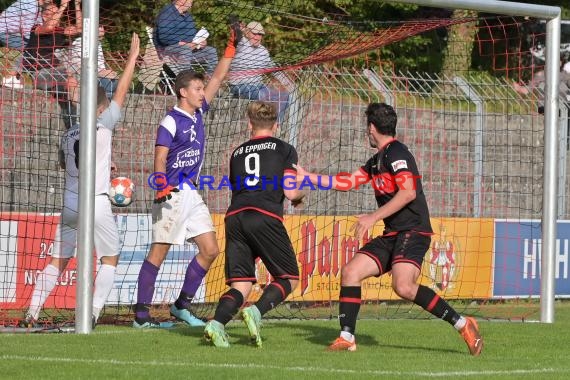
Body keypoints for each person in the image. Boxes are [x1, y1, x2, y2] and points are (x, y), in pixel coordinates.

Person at [295, 103, 483, 355]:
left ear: (371, 128)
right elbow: (348, 181)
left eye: (366, 128)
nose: (366, 132)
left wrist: (373, 217)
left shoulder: (398, 153)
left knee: (403, 286)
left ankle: (463, 324)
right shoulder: (377, 161)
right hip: (393, 233)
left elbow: (408, 193)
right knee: (351, 271)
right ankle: (347, 336)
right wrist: (308, 176)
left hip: (413, 230)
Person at [19, 33, 140, 329]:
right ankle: (93, 312)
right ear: (100, 108)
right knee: (109, 259)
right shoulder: (103, 124)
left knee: (58, 260)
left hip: (72, 202)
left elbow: (65, 163)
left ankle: (32, 312)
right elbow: (121, 92)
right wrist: (133, 58)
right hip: (96, 202)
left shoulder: (69, 133)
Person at [132, 20, 241, 329]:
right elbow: (160, 157)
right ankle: (141, 317)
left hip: (191, 193)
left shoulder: (198, 111)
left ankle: (181, 306)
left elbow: (219, 76)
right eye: (196, 88)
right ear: (183, 92)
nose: (201, 91)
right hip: (172, 193)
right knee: (159, 252)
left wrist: (231, 49)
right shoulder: (170, 121)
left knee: (210, 250)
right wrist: (160, 186)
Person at [203, 101, 305, 348]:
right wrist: (302, 185)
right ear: (277, 125)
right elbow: (291, 194)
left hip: (235, 217)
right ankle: (256, 312)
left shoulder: (237, 152)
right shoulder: (284, 149)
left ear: (250, 124)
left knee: (242, 284)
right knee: (289, 277)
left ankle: (216, 324)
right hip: (264, 215)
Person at [21, 0, 82, 128]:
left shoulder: (60, 31)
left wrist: (76, 4)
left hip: (57, 77)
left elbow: (80, 29)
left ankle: (73, 129)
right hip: (40, 75)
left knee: (68, 96)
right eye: (53, 13)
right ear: (44, 16)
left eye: (58, 13)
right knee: (71, 76)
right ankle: (84, 118)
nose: (58, 15)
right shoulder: (36, 28)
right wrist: (63, 5)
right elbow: (49, 27)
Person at [229, 21, 294, 123]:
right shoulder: (242, 44)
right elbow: (235, 33)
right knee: (267, 95)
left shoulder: (263, 51)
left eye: (260, 34)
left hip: (258, 86)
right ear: (247, 33)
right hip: (239, 85)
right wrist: (238, 28)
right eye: (254, 33)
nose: (257, 37)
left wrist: (290, 85)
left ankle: (276, 125)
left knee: (285, 96)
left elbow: (274, 71)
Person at [154, 0, 218, 75]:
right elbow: (164, 37)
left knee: (211, 51)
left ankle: (209, 79)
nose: (191, 4)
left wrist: (200, 41)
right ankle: (186, 79)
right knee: (185, 49)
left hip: (187, 51)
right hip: (167, 51)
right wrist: (182, 44)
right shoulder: (167, 13)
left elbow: (192, 35)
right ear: (181, 1)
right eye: (190, 1)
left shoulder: (187, 15)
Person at [0, 0, 45, 88]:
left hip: (13, 32)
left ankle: (17, 76)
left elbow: (39, 24)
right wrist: (32, 42)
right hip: (5, 32)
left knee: (33, 47)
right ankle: (10, 78)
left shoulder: (37, 6)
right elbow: (26, 29)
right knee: (29, 48)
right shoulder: (30, 4)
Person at [67, 26, 119, 99]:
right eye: (99, 26)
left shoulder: (97, 43)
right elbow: (77, 67)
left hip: (97, 75)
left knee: (116, 81)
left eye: (102, 27)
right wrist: (99, 73)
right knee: (106, 83)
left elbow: (101, 65)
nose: (102, 30)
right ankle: (102, 107)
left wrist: (109, 73)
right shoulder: (81, 43)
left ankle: (106, 106)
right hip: (84, 77)